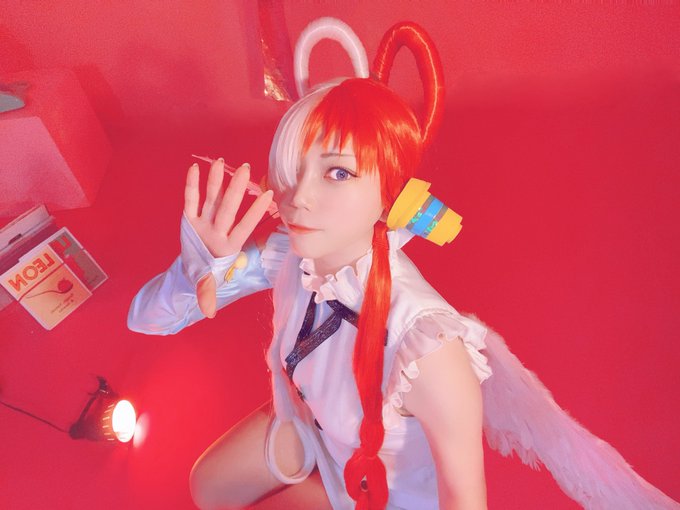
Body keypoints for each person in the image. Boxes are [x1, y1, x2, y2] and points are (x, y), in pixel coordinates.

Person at [128, 18, 679, 510]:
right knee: (206, 487)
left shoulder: (427, 351)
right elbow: (145, 320)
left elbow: (464, 500)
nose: (299, 197)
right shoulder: (290, 254)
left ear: (391, 193)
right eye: (294, 169)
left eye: (337, 172)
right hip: (310, 427)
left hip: (377, 493)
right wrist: (194, 272)